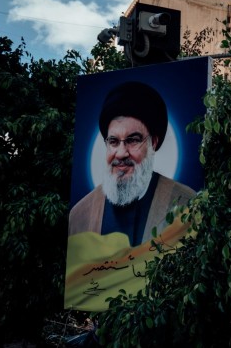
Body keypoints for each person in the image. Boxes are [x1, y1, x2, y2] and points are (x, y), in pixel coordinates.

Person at [68, 81, 196, 246]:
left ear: (153, 143)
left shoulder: (186, 204)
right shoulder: (80, 215)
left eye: (133, 140)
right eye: (113, 141)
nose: (121, 153)